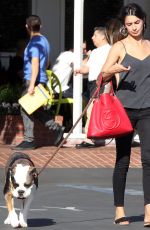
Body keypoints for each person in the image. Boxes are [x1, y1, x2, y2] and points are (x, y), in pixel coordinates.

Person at [100, 3, 150, 226]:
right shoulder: (119, 47)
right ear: (124, 26)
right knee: (123, 160)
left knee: (149, 160)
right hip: (124, 110)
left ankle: (149, 211)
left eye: (136, 22)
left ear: (144, 21)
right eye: (129, 24)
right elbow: (101, 75)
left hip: (148, 109)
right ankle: (119, 210)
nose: (133, 27)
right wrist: (115, 69)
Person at [12, 15, 65, 150]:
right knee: (35, 109)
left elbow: (35, 63)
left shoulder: (33, 44)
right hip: (41, 78)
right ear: (40, 26)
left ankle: (29, 140)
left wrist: (31, 85)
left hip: (33, 80)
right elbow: (46, 62)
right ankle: (56, 128)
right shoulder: (44, 41)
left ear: (27, 27)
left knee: (25, 108)